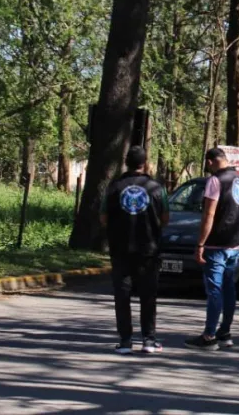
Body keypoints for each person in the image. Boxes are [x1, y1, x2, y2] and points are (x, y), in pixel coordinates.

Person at [101, 145, 168, 355]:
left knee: (122, 296)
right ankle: (149, 339)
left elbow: (103, 218)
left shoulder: (114, 187)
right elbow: (165, 218)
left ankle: (125, 341)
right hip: (148, 249)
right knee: (148, 296)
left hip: (120, 249)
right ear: (145, 163)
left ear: (126, 162)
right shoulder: (157, 187)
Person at [185, 147, 239, 351]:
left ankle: (209, 335)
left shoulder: (215, 181)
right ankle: (225, 332)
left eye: (207, 164)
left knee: (214, 289)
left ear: (212, 161)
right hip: (234, 243)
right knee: (229, 288)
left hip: (215, 243)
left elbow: (208, 215)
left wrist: (201, 243)